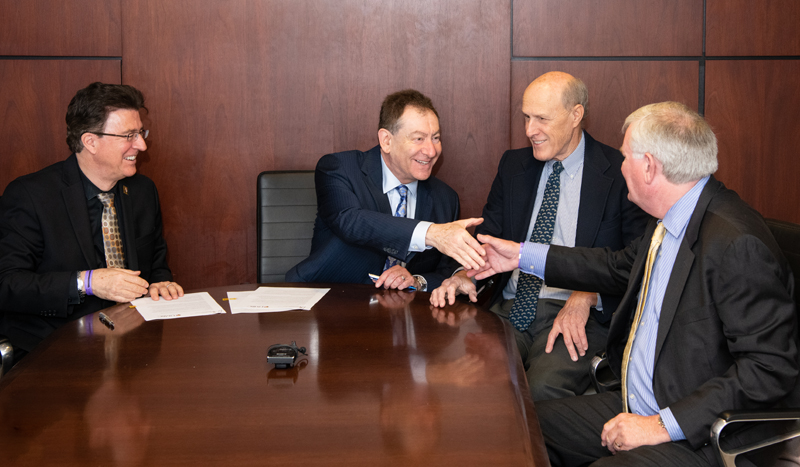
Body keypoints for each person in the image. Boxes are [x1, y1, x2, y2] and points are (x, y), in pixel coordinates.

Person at [471, 101, 800, 466]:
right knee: (518, 428)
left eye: (625, 156)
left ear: (648, 167)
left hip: (697, 434)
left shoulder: (736, 242)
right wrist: (519, 255)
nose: (619, 164)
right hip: (635, 404)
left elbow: (770, 368)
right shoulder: (669, 219)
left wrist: (660, 426)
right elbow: (614, 267)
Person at [430, 72, 649, 400]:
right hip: (509, 308)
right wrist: (465, 274)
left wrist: (588, 294)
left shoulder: (617, 171)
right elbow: (491, 239)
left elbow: (637, 261)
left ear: (576, 115)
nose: (530, 130)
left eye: (542, 119)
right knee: (466, 379)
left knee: (540, 392)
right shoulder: (514, 166)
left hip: (575, 315)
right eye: (527, 118)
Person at [0, 82, 183, 363]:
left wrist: (160, 282)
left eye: (141, 133)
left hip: (133, 349)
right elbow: (8, 284)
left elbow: (155, 261)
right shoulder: (31, 196)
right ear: (90, 142)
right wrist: (86, 282)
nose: (142, 145)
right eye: (129, 135)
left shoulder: (142, 191)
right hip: (55, 351)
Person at [286, 89, 485, 291]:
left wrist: (416, 280)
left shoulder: (445, 197)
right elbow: (352, 221)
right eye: (418, 139)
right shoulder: (340, 169)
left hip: (402, 314)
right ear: (386, 141)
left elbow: (446, 272)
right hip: (329, 301)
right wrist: (431, 233)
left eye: (435, 138)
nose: (431, 151)